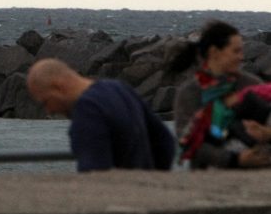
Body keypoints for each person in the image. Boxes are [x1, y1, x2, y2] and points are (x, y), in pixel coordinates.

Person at [26, 58, 175, 172]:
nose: (49, 111)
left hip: (117, 203)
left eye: (45, 102)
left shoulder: (87, 111)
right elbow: (165, 142)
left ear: (58, 86)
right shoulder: (118, 88)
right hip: (146, 196)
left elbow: (94, 174)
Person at [171, 20, 271, 169]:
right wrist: (235, 160)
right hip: (209, 180)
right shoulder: (191, 92)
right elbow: (188, 141)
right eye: (236, 51)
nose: (241, 57)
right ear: (214, 52)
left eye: (242, 51)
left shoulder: (251, 84)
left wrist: (266, 134)